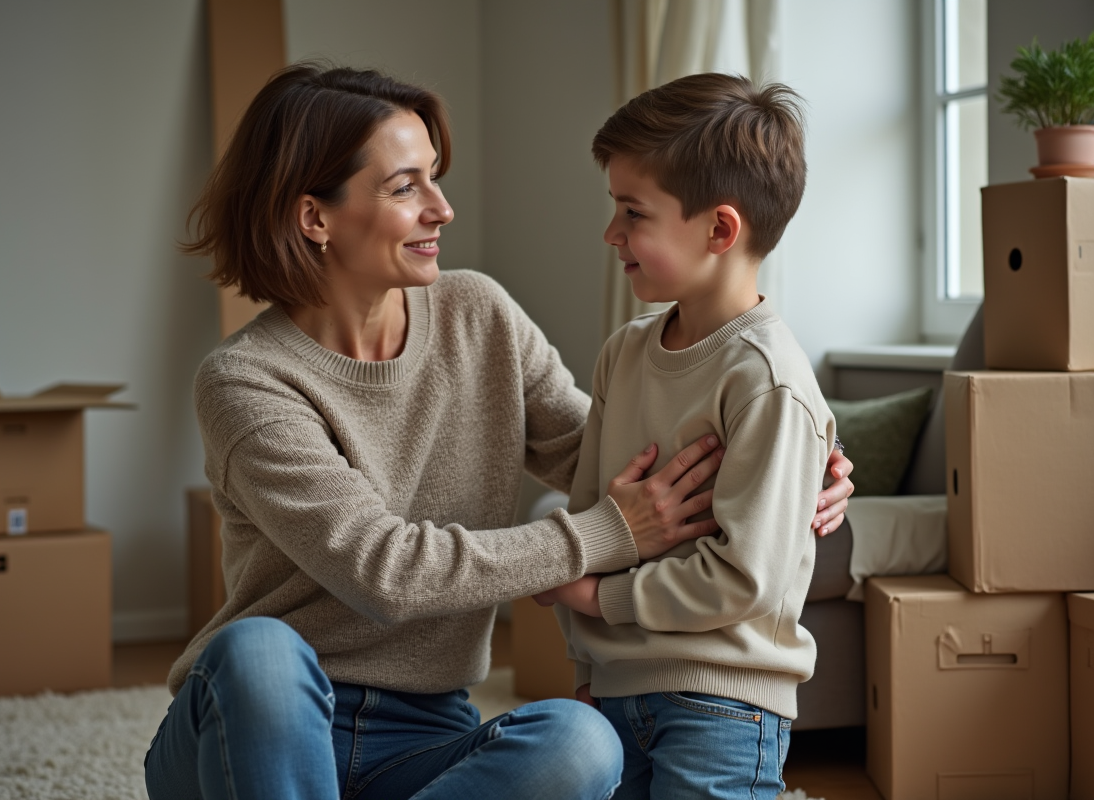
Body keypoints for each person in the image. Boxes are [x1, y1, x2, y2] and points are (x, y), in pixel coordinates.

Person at [143, 62, 853, 800]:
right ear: (314, 217)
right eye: (406, 187)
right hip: (250, 732)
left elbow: (611, 454)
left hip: (421, 736)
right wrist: (606, 534)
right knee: (259, 653)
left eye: (435, 179)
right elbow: (385, 573)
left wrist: (796, 461)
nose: (442, 209)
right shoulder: (245, 380)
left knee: (581, 742)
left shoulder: (477, 314)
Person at [538, 74, 833, 799]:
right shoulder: (623, 353)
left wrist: (598, 599)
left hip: (722, 703)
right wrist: (587, 666)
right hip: (614, 695)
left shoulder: (768, 380)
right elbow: (589, 518)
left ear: (719, 230)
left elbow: (743, 578)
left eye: (633, 213)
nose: (611, 233)